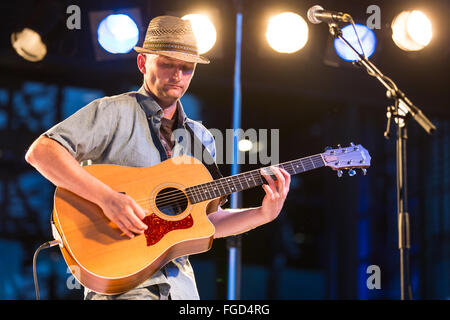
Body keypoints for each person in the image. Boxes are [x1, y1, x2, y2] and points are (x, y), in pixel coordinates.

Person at [25, 15, 291, 300]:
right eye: (167, 64)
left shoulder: (201, 139)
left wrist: (263, 214)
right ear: (143, 63)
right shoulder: (113, 112)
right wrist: (108, 199)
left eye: (187, 68)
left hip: (182, 292)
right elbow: (42, 152)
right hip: (123, 288)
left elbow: (206, 222)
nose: (177, 75)